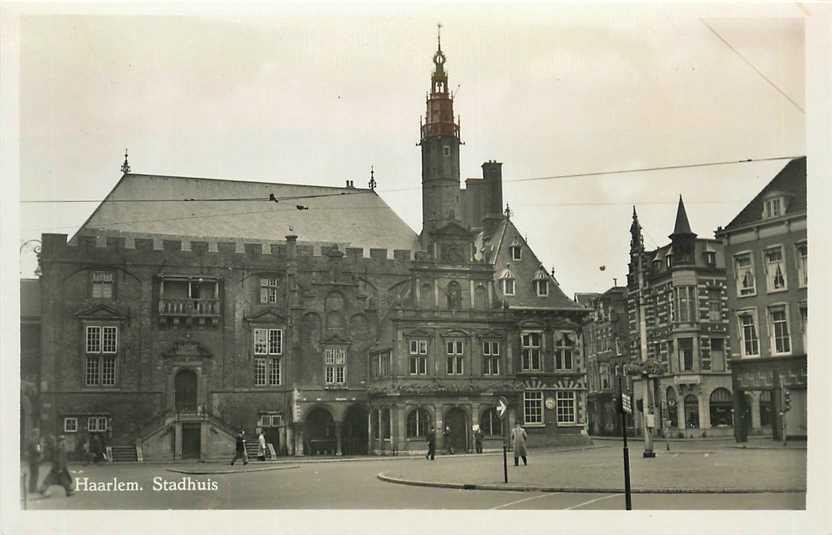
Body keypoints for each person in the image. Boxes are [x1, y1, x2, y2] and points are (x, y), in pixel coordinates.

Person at [27, 428, 43, 493]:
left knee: (33, 474)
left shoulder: (32, 440)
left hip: (32, 460)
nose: (38, 435)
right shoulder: (35, 441)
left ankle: (32, 488)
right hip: (35, 460)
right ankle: (33, 489)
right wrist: (41, 448)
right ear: (35, 434)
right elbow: (37, 450)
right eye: (38, 433)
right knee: (35, 474)